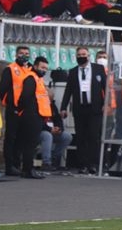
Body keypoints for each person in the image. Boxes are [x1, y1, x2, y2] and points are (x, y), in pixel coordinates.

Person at [60, 47, 106, 175]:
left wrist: (106, 104)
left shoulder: (98, 69)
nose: (81, 56)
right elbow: (68, 91)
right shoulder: (73, 72)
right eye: (79, 54)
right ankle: (83, 165)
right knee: (81, 137)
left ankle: (93, 164)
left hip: (95, 108)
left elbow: (106, 87)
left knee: (93, 136)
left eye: (83, 54)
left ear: (89, 55)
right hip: (79, 108)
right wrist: (63, 107)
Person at [0, 46, 32, 176]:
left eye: (27, 53)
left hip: (27, 109)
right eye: (21, 53)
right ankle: (9, 165)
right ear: (16, 55)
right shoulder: (10, 69)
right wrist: (10, 103)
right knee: (11, 137)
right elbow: (2, 89)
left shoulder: (30, 69)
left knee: (22, 138)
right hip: (14, 108)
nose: (24, 55)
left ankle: (18, 164)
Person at [16, 56, 50, 179]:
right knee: (30, 144)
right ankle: (28, 170)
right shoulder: (31, 78)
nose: (44, 70)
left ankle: (27, 169)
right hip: (31, 115)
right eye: (42, 67)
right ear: (35, 66)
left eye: (46, 68)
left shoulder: (37, 79)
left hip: (37, 114)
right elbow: (25, 97)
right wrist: (25, 111)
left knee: (31, 143)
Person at [40, 90, 72, 172]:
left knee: (67, 137)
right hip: (41, 131)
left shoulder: (52, 106)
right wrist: (50, 129)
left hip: (53, 130)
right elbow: (38, 123)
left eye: (51, 100)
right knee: (47, 136)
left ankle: (54, 159)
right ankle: (46, 163)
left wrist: (59, 129)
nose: (50, 101)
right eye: (48, 99)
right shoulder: (38, 106)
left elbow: (58, 120)